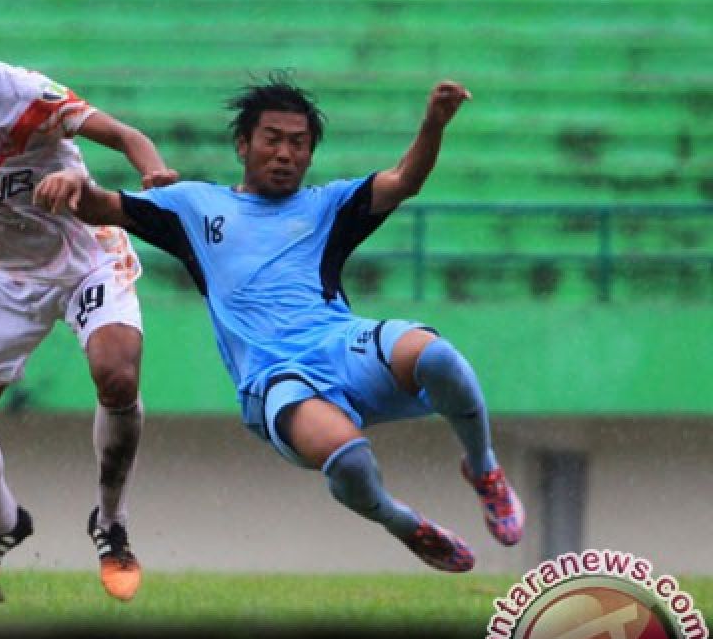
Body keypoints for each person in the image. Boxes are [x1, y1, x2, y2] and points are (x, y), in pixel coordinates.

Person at [32, 74, 525, 572]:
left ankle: (483, 468)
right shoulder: (193, 205)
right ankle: (404, 524)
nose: (285, 153)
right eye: (273, 140)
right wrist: (77, 182)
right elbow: (100, 206)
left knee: (436, 355)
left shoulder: (328, 205)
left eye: (298, 143)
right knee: (350, 461)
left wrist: (433, 124)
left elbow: (404, 180)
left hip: (340, 344)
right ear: (243, 145)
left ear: (310, 155)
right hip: (275, 378)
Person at [0, 0, 178, 600]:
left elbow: (126, 136)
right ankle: (4, 525)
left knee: (117, 377)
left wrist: (151, 176)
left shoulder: (26, 94)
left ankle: (111, 524)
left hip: (86, 257)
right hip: (10, 274)